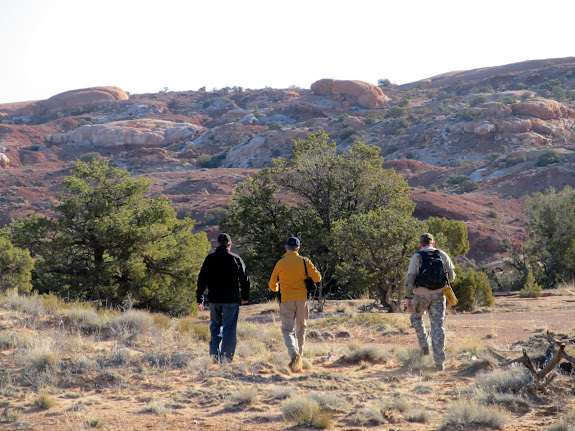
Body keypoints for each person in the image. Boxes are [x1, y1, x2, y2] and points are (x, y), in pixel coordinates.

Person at [269, 236, 321, 372]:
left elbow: (272, 285)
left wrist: (278, 289)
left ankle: (293, 354)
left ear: (286, 248)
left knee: (287, 330)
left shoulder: (280, 263)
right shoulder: (305, 261)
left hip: (286, 300)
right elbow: (318, 278)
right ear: (298, 249)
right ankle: (300, 357)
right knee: (301, 328)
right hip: (302, 299)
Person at [405, 233, 456, 371]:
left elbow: (410, 278)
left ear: (420, 244)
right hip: (439, 296)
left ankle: (424, 346)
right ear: (432, 243)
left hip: (420, 296)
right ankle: (440, 363)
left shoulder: (417, 257)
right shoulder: (442, 255)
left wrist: (408, 297)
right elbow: (451, 277)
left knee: (416, 318)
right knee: (438, 326)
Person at [197, 233, 249, 363]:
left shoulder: (210, 259)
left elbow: (201, 279)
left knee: (215, 327)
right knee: (229, 328)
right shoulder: (236, 259)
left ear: (217, 244)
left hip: (214, 300)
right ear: (229, 245)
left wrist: (200, 298)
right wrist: (245, 297)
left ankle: (214, 357)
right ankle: (226, 360)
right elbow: (245, 280)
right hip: (231, 300)